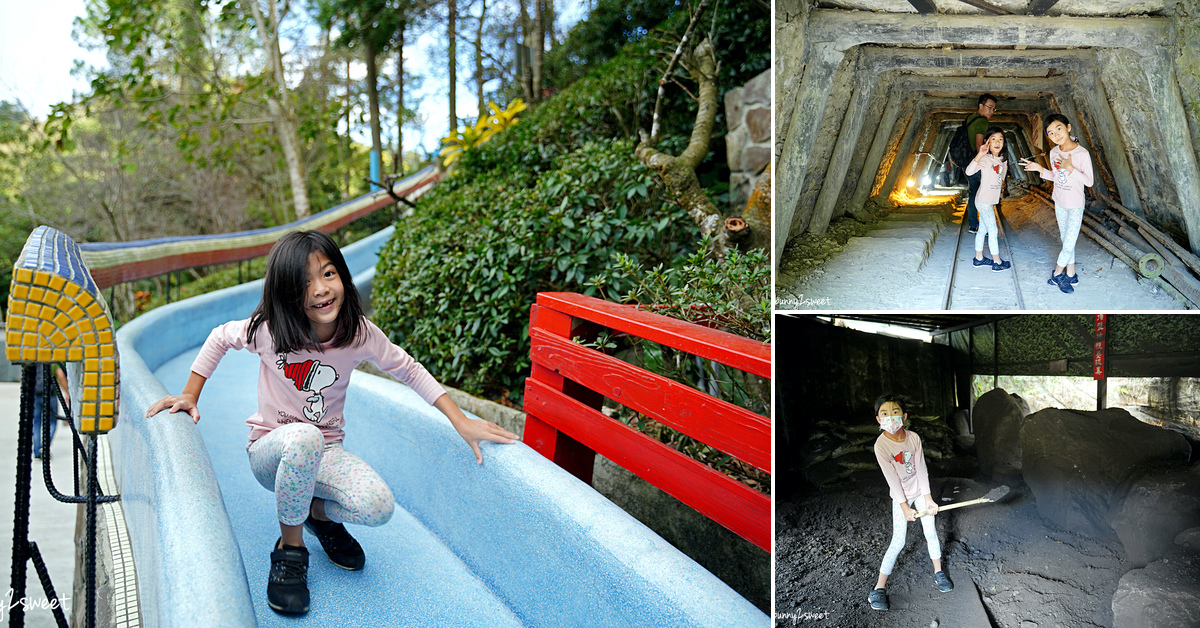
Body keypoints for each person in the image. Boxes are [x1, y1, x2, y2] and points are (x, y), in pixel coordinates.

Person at [145, 230, 519, 616]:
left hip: (326, 452)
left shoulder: (358, 335)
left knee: (378, 506)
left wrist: (460, 421)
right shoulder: (269, 329)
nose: (320, 289)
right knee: (304, 437)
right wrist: (190, 393)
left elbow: (408, 368)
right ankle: (290, 548)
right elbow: (219, 337)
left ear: (342, 275)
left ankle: (316, 514)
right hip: (270, 452)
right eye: (304, 282)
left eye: (327, 274)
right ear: (286, 292)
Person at [868, 394, 952, 612]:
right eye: (884, 414)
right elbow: (892, 480)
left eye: (895, 413)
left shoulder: (914, 438)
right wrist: (905, 508)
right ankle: (878, 588)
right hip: (900, 497)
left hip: (918, 493)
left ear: (904, 416)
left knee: (931, 533)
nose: (890, 418)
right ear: (878, 420)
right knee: (898, 541)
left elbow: (921, 469)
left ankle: (938, 572)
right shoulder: (881, 445)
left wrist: (928, 498)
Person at [1021, 114, 1094, 294]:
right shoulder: (1054, 152)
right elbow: (1055, 176)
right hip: (1059, 201)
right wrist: (1040, 169)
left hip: (1075, 204)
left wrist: (1070, 168)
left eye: (1058, 129)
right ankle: (1071, 274)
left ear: (1068, 127)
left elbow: (1089, 182)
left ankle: (1057, 274)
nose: (1056, 135)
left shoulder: (1081, 153)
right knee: (1065, 239)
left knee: (1069, 243)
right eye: (1051, 133)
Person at [964, 127, 1011, 272]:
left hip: (989, 201)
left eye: (1000, 139)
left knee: (983, 229)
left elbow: (1001, 180)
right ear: (987, 142)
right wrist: (980, 154)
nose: (997, 142)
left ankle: (979, 259)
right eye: (993, 139)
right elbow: (969, 171)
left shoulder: (1002, 160)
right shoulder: (985, 158)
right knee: (993, 230)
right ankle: (997, 261)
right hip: (983, 201)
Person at [964, 94, 997, 234]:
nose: (991, 111)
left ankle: (973, 225)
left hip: (967, 161)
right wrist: (986, 164)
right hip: (977, 161)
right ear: (981, 106)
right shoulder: (982, 122)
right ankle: (985, 226)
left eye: (994, 109)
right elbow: (979, 144)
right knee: (984, 194)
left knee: (973, 193)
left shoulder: (970, 118)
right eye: (989, 107)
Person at [32, 364, 69, 459]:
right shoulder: (53, 363)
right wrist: (67, 392)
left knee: (36, 422)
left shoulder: (35, 360)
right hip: (50, 395)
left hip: (36, 395)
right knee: (52, 421)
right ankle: (44, 447)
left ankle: (37, 450)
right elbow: (60, 376)